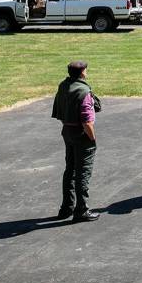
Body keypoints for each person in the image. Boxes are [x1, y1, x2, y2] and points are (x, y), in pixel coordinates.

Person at [51, 60, 101, 222]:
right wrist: (92, 138)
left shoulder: (63, 85)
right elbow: (87, 121)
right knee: (83, 173)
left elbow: (59, 108)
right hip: (81, 135)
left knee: (70, 170)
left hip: (67, 131)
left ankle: (66, 208)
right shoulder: (83, 91)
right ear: (82, 73)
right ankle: (81, 210)